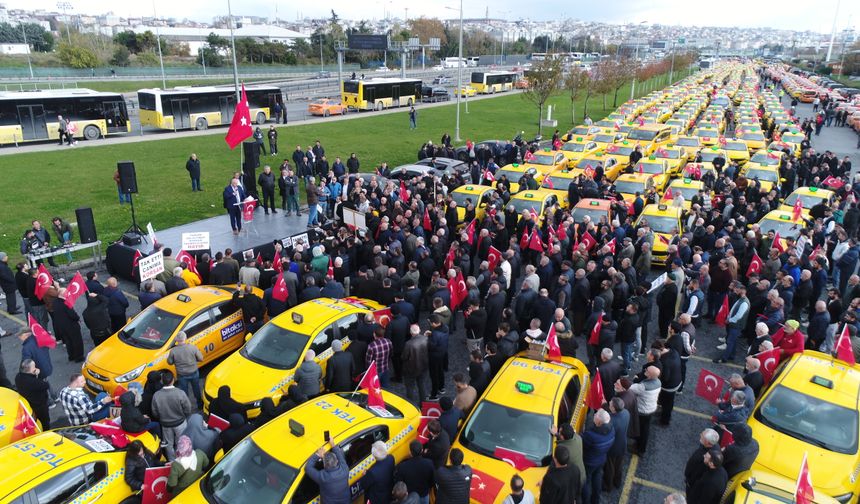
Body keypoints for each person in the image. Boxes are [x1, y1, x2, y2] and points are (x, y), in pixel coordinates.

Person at [151, 370, 193, 460]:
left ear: (162, 381)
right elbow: (188, 408)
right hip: (180, 422)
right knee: (181, 442)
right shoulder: (180, 393)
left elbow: (154, 412)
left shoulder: (156, 395)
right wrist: (184, 415)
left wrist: (162, 418)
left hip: (165, 425)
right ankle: (183, 458)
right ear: (173, 380)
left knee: (168, 444)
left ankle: (172, 460)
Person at [582, 408, 615, 504]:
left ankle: (586, 501)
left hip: (589, 462)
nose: (594, 416)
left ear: (599, 422)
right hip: (601, 459)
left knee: (586, 481)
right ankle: (595, 500)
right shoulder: (611, 429)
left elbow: (583, 444)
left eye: (595, 416)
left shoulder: (590, 435)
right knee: (597, 477)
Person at [306, 437, 351, 504]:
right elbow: (340, 456)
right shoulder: (345, 468)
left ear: (324, 465)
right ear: (337, 461)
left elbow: (307, 468)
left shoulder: (322, 477)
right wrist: (332, 444)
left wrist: (318, 455)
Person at [167, 331, 204, 410]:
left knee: (184, 392)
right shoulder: (192, 347)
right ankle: (200, 405)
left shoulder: (173, 351)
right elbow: (201, 358)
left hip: (182, 375)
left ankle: (186, 407)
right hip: (194, 372)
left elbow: (169, 362)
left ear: (176, 340)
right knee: (196, 389)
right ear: (185, 338)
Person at [15, 359, 50, 429]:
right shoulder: (33, 382)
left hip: (29, 404)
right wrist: (37, 375)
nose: (36, 368)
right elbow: (45, 385)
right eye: (34, 366)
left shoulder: (18, 377)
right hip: (39, 406)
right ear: (30, 370)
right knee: (45, 422)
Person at [401, 324, 429, 404]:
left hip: (411, 369)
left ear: (411, 333)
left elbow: (404, 357)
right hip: (423, 367)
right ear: (419, 330)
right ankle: (423, 404)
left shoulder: (408, 344)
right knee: (422, 385)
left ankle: (411, 405)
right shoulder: (426, 339)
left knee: (410, 388)